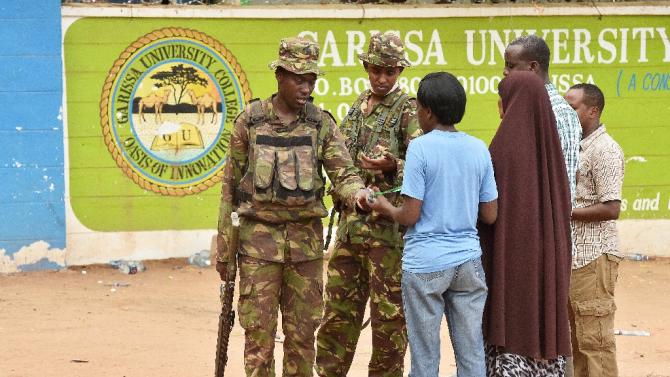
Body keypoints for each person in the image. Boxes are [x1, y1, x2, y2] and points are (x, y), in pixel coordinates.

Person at [215, 36, 369, 377]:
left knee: (302, 338)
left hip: (306, 250)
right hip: (258, 250)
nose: (306, 86)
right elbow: (229, 191)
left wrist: (357, 194)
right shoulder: (250, 122)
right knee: (259, 339)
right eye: (299, 79)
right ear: (280, 76)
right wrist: (225, 251)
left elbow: (344, 173)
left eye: (311, 79)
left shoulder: (321, 124)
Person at [366, 72, 498, 377]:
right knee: (471, 353)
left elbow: (410, 215)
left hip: (425, 264)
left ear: (426, 112)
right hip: (468, 263)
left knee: (425, 358)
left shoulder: (420, 148)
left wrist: (385, 206)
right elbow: (490, 214)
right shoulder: (478, 148)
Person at [316, 31, 419, 377]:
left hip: (389, 239)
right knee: (337, 317)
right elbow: (339, 159)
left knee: (388, 324)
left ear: (399, 72)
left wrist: (394, 166)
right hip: (350, 232)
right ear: (366, 66)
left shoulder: (409, 110)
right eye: (376, 70)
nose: (382, 78)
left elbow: (425, 165)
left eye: (390, 72)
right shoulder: (358, 107)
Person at [480, 71, 573, 376]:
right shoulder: (552, 153)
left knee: (512, 321)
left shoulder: (501, 149)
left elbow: (488, 212)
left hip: (509, 265)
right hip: (547, 265)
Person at [565, 83, 624, 377]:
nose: (566, 112)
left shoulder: (605, 149)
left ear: (593, 110)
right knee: (576, 342)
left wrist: (565, 213)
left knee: (596, 343)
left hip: (594, 257)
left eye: (572, 107)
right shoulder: (574, 146)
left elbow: (611, 208)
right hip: (574, 258)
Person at [503, 34, 581, 201]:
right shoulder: (566, 111)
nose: (505, 72)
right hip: (559, 218)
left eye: (511, 66)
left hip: (542, 219)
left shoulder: (542, 112)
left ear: (533, 67)